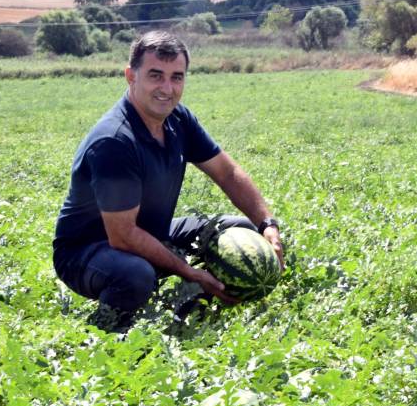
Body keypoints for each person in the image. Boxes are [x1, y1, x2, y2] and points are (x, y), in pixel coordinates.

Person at [53, 30, 283, 331]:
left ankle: (192, 305)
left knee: (241, 229)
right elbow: (122, 236)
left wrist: (267, 225)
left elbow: (228, 173)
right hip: (87, 251)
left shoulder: (178, 120)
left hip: (152, 231)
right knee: (135, 274)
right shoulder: (115, 141)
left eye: (177, 77)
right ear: (130, 76)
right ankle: (105, 331)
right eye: (155, 75)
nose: (167, 88)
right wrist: (188, 271)